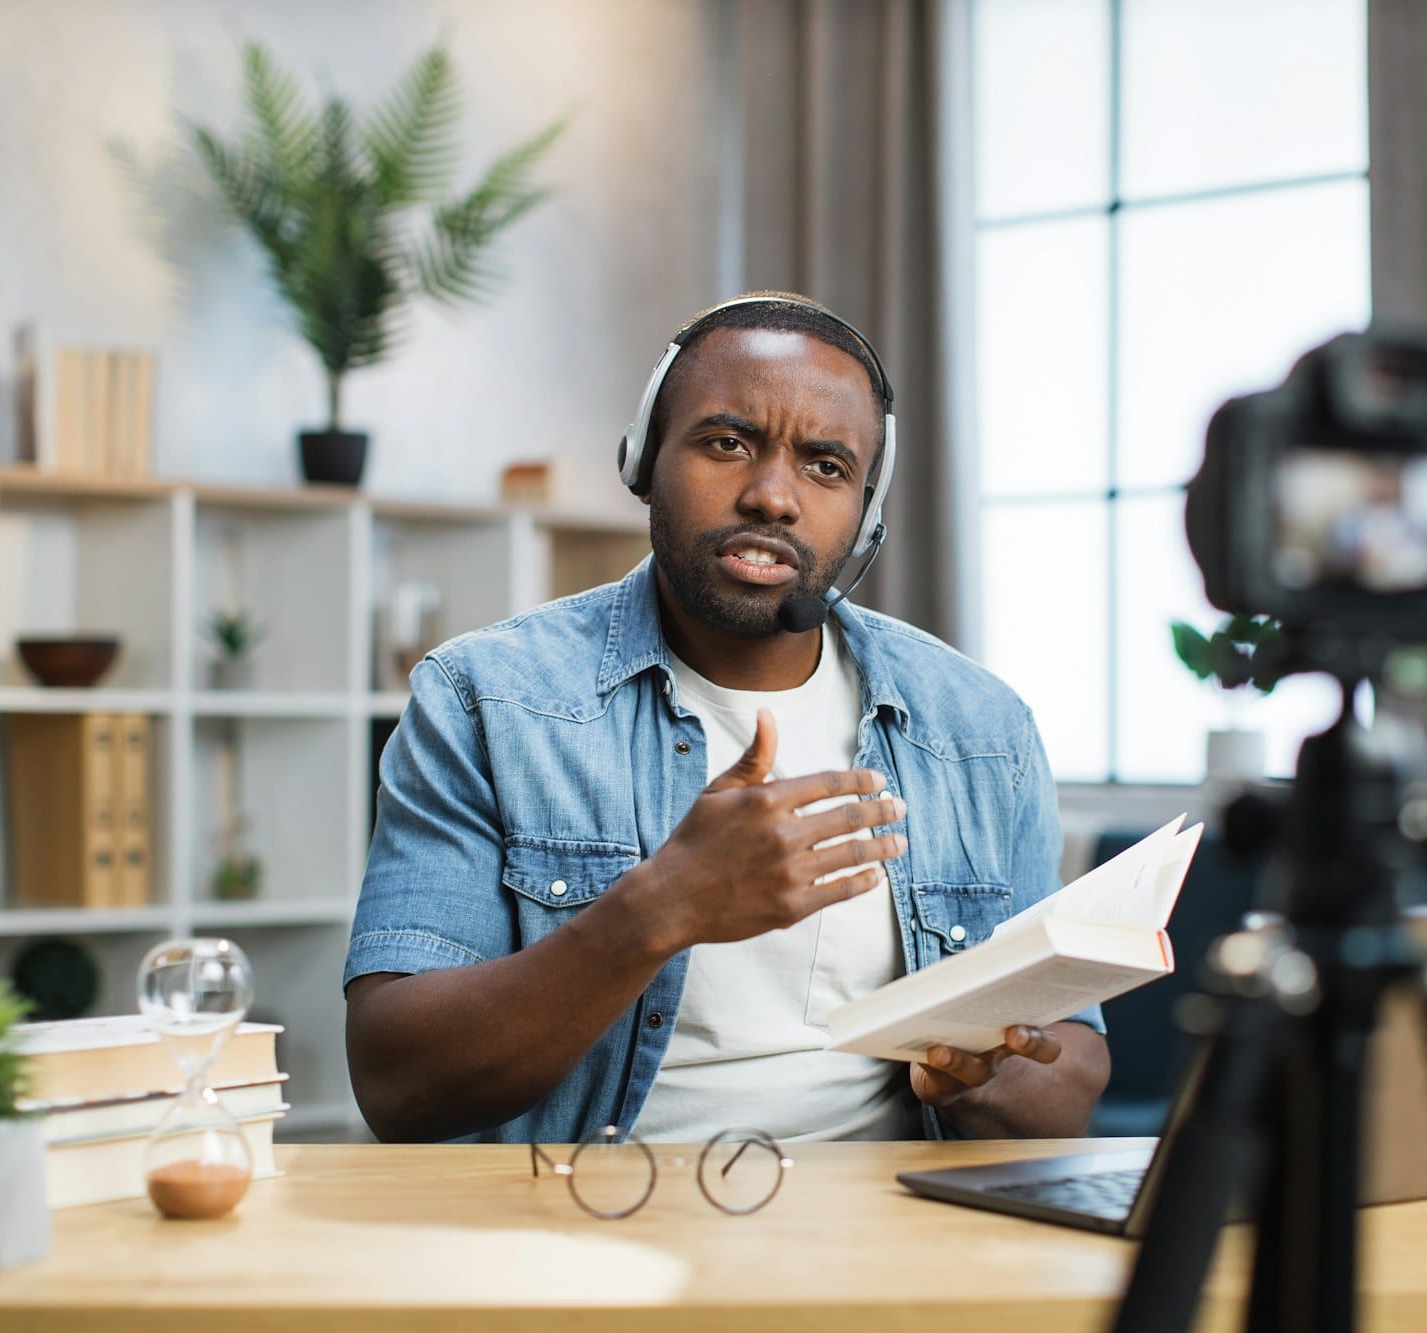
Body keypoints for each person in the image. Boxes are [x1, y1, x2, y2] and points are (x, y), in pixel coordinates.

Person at [344, 292, 1110, 1144]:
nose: (772, 497)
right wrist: (660, 909)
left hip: (886, 1236)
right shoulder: (486, 698)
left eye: (825, 466)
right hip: (586, 1231)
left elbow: (1072, 1076)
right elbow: (396, 1078)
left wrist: (984, 1075)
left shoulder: (980, 728)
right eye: (727, 443)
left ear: (867, 514)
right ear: (644, 461)